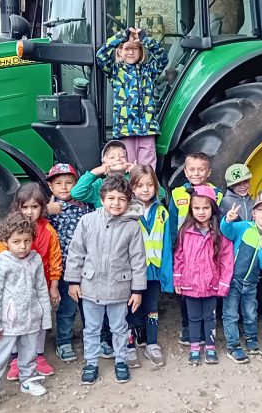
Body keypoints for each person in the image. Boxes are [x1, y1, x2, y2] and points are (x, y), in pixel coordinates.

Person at [64, 174, 147, 386]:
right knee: (91, 328)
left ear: (128, 202)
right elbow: (76, 252)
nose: (116, 203)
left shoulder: (132, 227)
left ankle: (121, 360)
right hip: (90, 287)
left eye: (121, 199)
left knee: (119, 328)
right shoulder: (87, 221)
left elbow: (138, 260)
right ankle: (91, 362)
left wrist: (137, 290)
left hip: (119, 288)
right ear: (102, 199)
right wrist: (73, 281)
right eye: (111, 198)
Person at [0, 212, 51, 413]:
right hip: (7, 322)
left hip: (31, 319)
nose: (23, 246)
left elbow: (41, 288)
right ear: (6, 241)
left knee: (29, 352)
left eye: (27, 241)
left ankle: (28, 380)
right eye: (16, 241)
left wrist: (44, 316)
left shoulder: (35, 259)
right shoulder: (0, 264)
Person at [0, 184, 62, 379]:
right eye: (25, 207)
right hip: (15, 288)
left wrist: (54, 287)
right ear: (17, 207)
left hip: (39, 286)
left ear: (42, 207)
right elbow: (1, 261)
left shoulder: (48, 230)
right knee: (16, 320)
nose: (29, 212)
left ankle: (38, 356)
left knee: (40, 320)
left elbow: (55, 259)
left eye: (34, 207)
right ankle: (17, 359)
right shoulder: (10, 230)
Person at [174, 186, 234, 365]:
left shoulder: (219, 232)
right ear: (191, 209)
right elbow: (179, 257)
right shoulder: (185, 231)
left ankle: (210, 347)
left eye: (205, 208)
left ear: (212, 208)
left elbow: (226, 258)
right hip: (190, 284)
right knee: (193, 317)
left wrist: (224, 283)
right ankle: (194, 348)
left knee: (209, 317)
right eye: (197, 208)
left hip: (211, 284)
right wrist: (177, 278)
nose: (201, 212)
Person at [168, 152, 222, 346]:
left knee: (209, 290)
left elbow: (220, 222)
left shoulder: (217, 193)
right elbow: (173, 223)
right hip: (186, 251)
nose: (196, 173)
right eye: (192, 169)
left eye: (201, 169)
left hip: (209, 250)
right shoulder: (177, 194)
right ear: (185, 171)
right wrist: (174, 248)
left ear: (209, 172)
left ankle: (209, 331)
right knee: (187, 293)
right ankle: (187, 327)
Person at [96, 27, 169, 168]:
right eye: (127, 48)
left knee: (147, 167)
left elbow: (162, 58)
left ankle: (148, 188)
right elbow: (101, 55)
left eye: (135, 48)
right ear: (120, 51)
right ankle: (129, 190)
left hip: (147, 128)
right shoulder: (115, 71)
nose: (131, 52)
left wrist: (144, 38)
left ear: (141, 51)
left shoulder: (149, 71)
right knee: (127, 164)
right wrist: (121, 36)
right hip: (125, 128)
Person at [220, 193, 262, 362]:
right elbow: (226, 231)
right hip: (234, 279)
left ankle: (251, 338)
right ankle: (233, 345)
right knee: (230, 314)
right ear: (253, 214)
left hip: (252, 283)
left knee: (251, 313)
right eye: (261, 209)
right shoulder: (244, 227)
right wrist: (228, 220)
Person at [45, 162, 92, 363]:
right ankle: (63, 341)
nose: (64, 187)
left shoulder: (85, 207)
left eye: (69, 182)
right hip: (62, 268)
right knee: (67, 307)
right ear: (50, 187)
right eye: (59, 183)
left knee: (89, 306)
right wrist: (47, 210)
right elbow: (29, 219)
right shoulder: (48, 209)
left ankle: (96, 339)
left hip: (86, 266)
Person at [129, 165, 174, 368]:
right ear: (132, 188)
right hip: (131, 272)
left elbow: (166, 244)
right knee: (131, 308)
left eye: (150, 185)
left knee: (152, 307)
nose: (145, 190)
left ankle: (152, 344)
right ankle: (130, 343)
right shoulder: (126, 211)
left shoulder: (162, 212)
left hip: (154, 270)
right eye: (139, 185)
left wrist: (166, 274)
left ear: (156, 188)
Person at [71, 140, 136, 207]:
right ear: (103, 164)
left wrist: (137, 172)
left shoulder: (133, 179)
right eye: (112, 157)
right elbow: (76, 193)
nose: (118, 159)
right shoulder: (100, 184)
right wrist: (94, 172)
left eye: (122, 156)